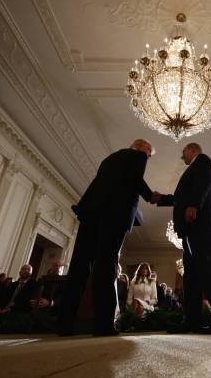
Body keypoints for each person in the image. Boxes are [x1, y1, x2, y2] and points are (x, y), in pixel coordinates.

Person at [57, 139, 161, 336]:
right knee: (106, 267)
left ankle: (64, 323)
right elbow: (134, 179)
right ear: (142, 149)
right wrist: (150, 196)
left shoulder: (110, 158)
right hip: (113, 217)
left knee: (79, 267)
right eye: (149, 154)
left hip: (90, 213)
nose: (147, 157)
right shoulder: (138, 156)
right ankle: (103, 325)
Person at [157, 143, 211, 334]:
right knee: (191, 276)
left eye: (183, 152)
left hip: (199, 222)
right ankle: (192, 321)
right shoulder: (193, 168)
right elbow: (180, 197)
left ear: (192, 150)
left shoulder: (203, 161)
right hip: (190, 229)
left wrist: (193, 205)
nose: (181, 156)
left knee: (206, 267)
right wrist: (162, 199)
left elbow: (204, 183)